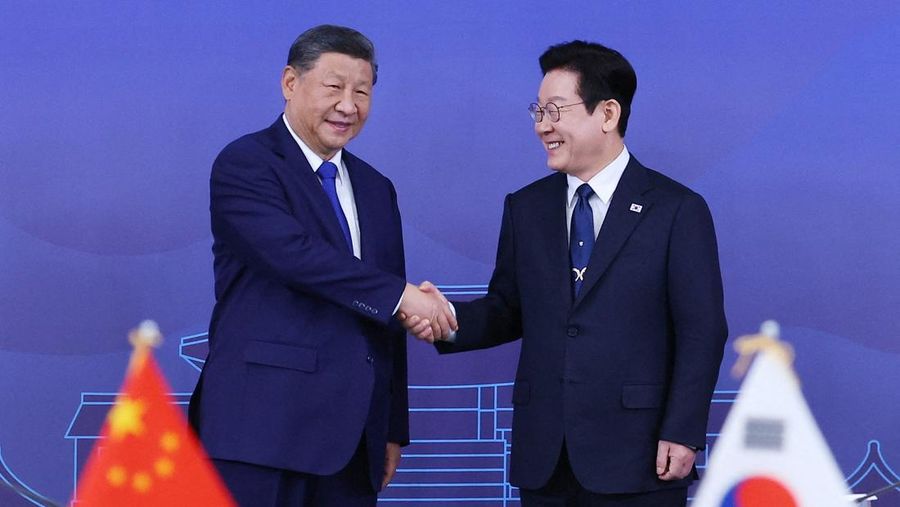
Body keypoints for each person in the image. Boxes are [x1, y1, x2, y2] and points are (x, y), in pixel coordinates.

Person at [404, 40, 727, 506]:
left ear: (608, 114)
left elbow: (702, 330)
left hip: (639, 456)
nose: (542, 127)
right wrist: (444, 318)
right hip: (546, 458)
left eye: (556, 111)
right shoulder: (526, 207)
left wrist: (683, 431)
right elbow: (508, 309)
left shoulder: (676, 210)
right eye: (538, 111)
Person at [188, 25, 455, 506]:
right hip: (261, 432)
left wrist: (391, 429)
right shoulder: (246, 163)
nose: (348, 105)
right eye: (333, 87)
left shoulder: (376, 187)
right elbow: (294, 256)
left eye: (362, 91)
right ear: (291, 83)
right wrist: (403, 296)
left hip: (352, 444)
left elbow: (385, 318)